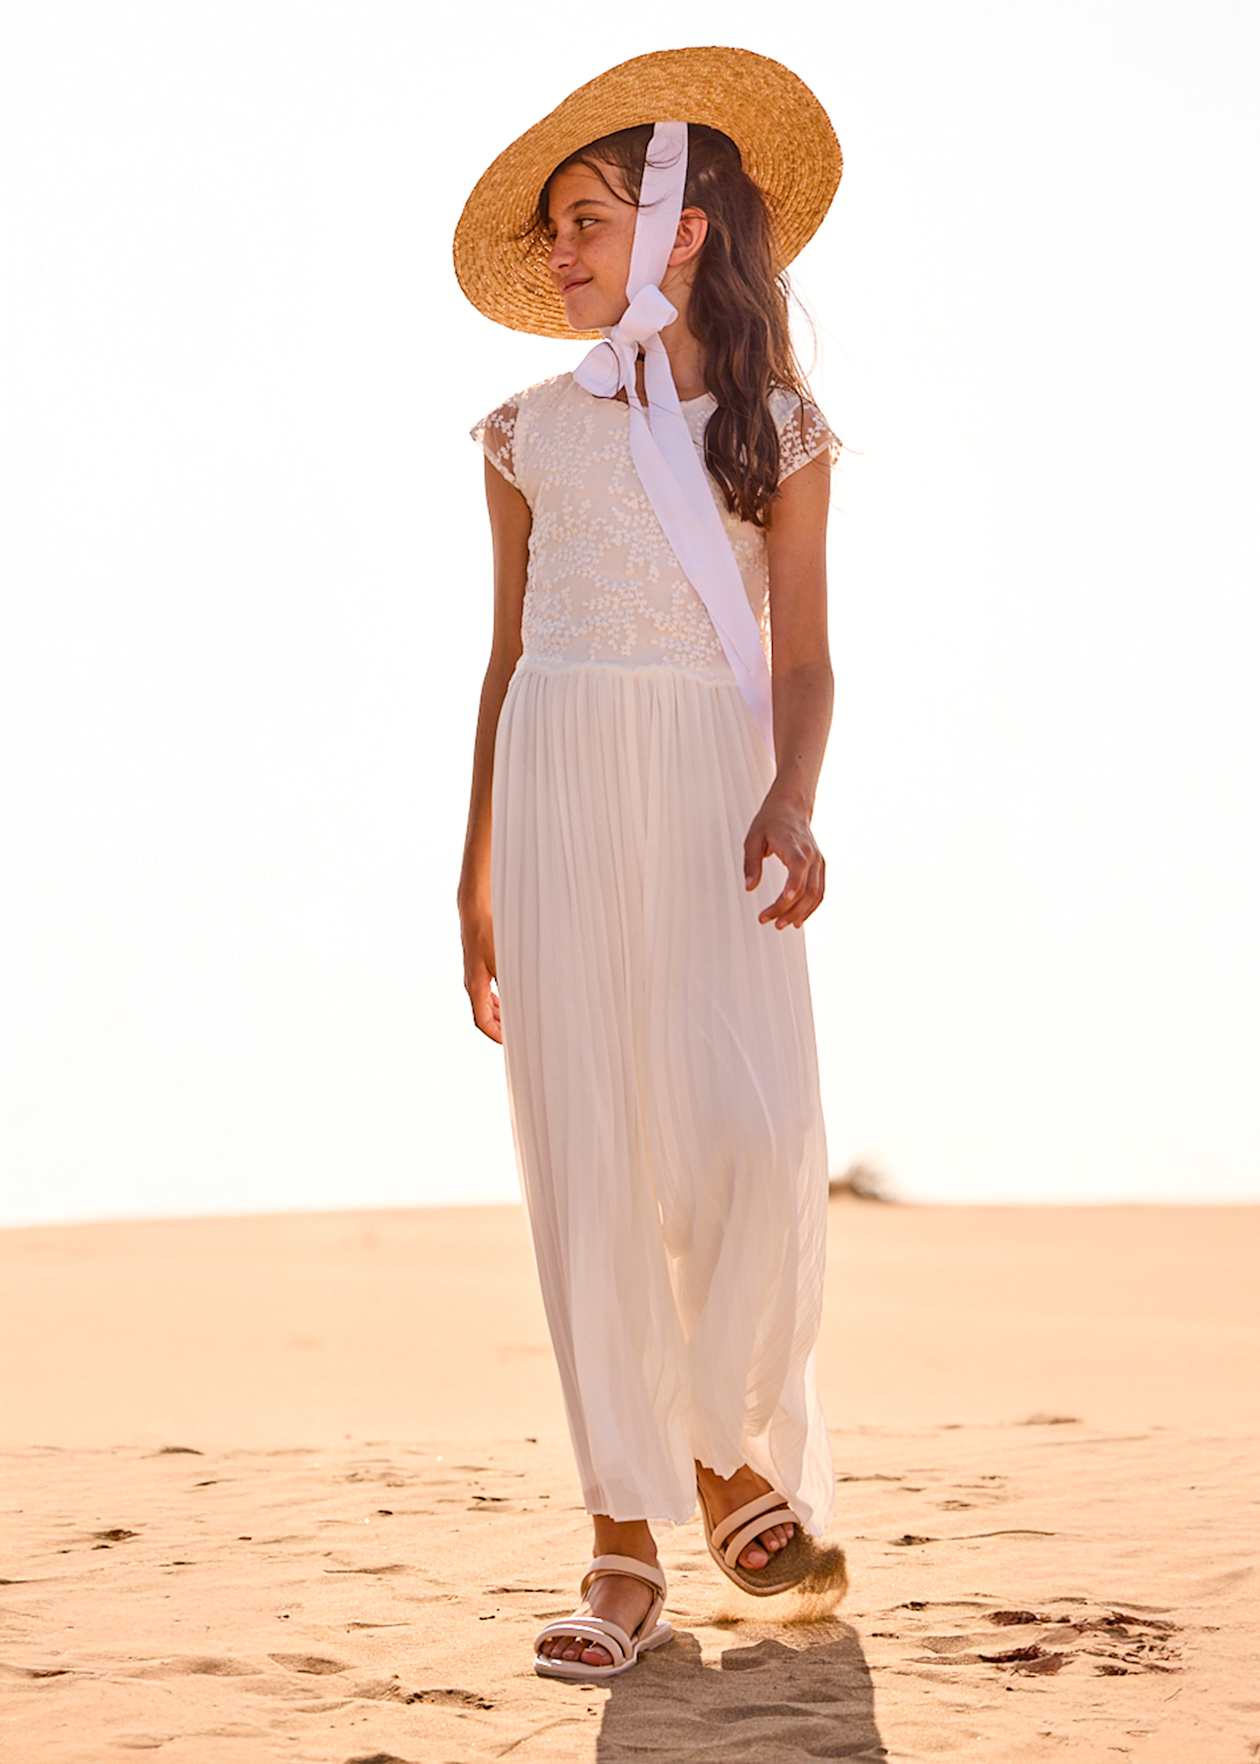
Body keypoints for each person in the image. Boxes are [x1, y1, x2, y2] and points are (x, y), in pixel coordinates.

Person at [453, 46, 848, 1682]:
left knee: (749, 1138)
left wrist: (793, 800)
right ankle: (624, 1544)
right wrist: (473, 879)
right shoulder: (524, 434)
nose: (560, 251)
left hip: (710, 801)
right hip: (555, 794)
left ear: (681, 227)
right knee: (592, 1165)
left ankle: (719, 1444)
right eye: (554, 226)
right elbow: (503, 661)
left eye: (588, 218)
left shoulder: (778, 431)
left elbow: (805, 659)